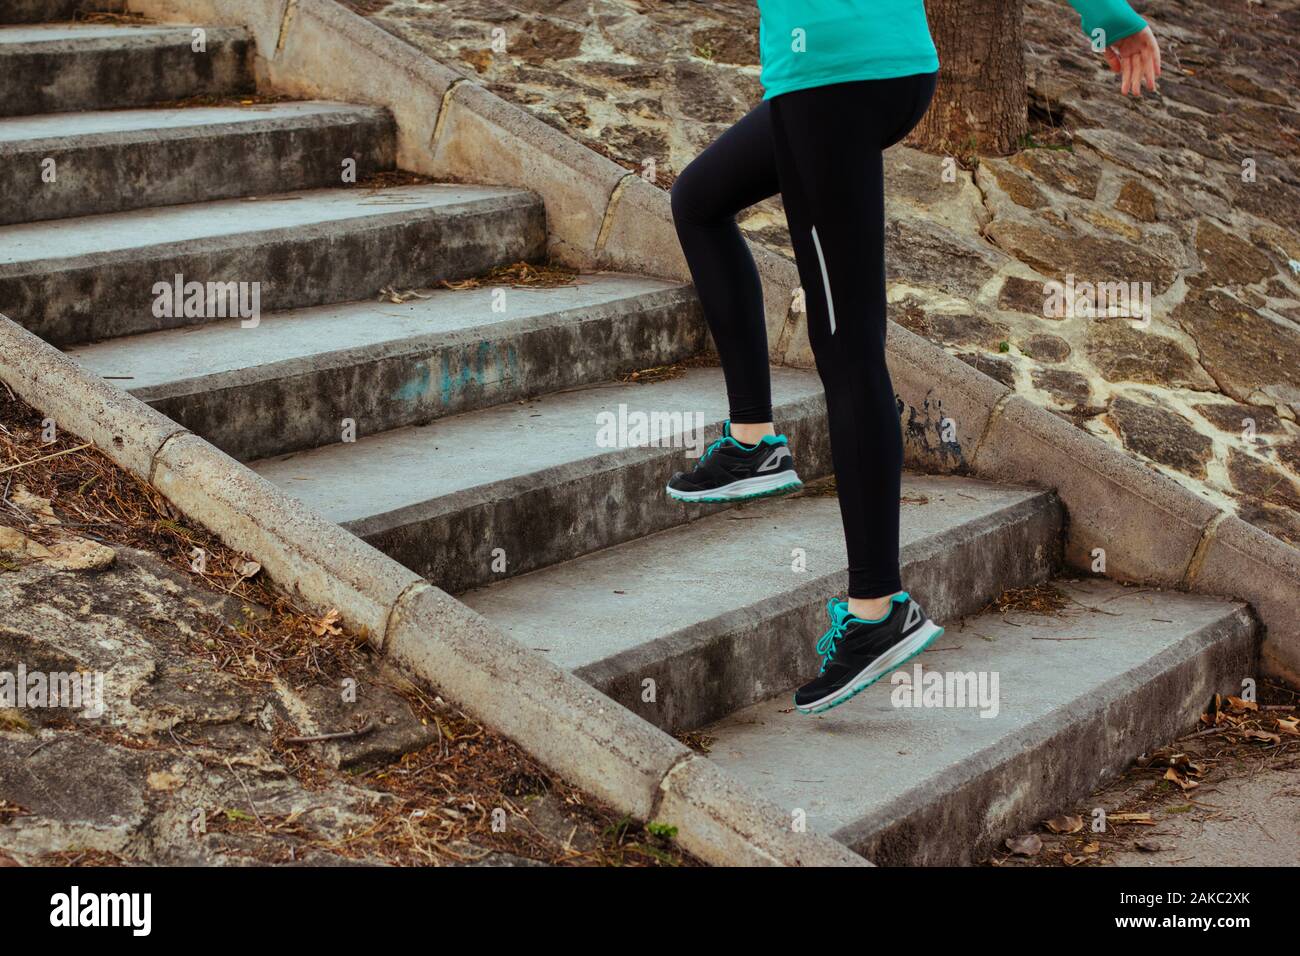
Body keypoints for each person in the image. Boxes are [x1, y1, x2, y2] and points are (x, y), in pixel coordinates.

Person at [666, 0, 1161, 715]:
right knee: (699, 199)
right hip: (875, 67)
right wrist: (1112, 17)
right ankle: (752, 442)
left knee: (846, 344)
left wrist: (1109, 15)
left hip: (832, 74)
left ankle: (877, 610)